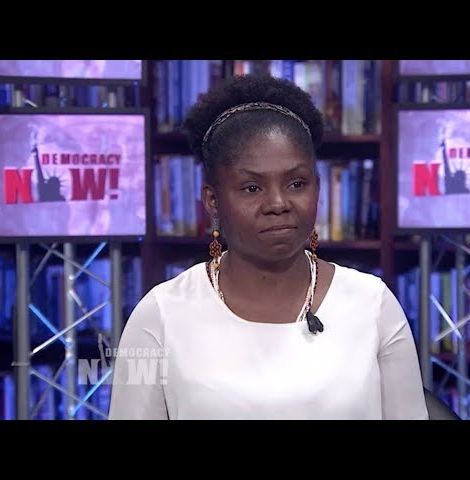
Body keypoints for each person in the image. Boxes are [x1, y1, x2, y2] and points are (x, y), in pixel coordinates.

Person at [108, 73, 429, 420]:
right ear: (212, 201)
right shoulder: (160, 315)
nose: (278, 203)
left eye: (296, 183)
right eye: (252, 188)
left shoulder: (373, 305)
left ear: (318, 188)